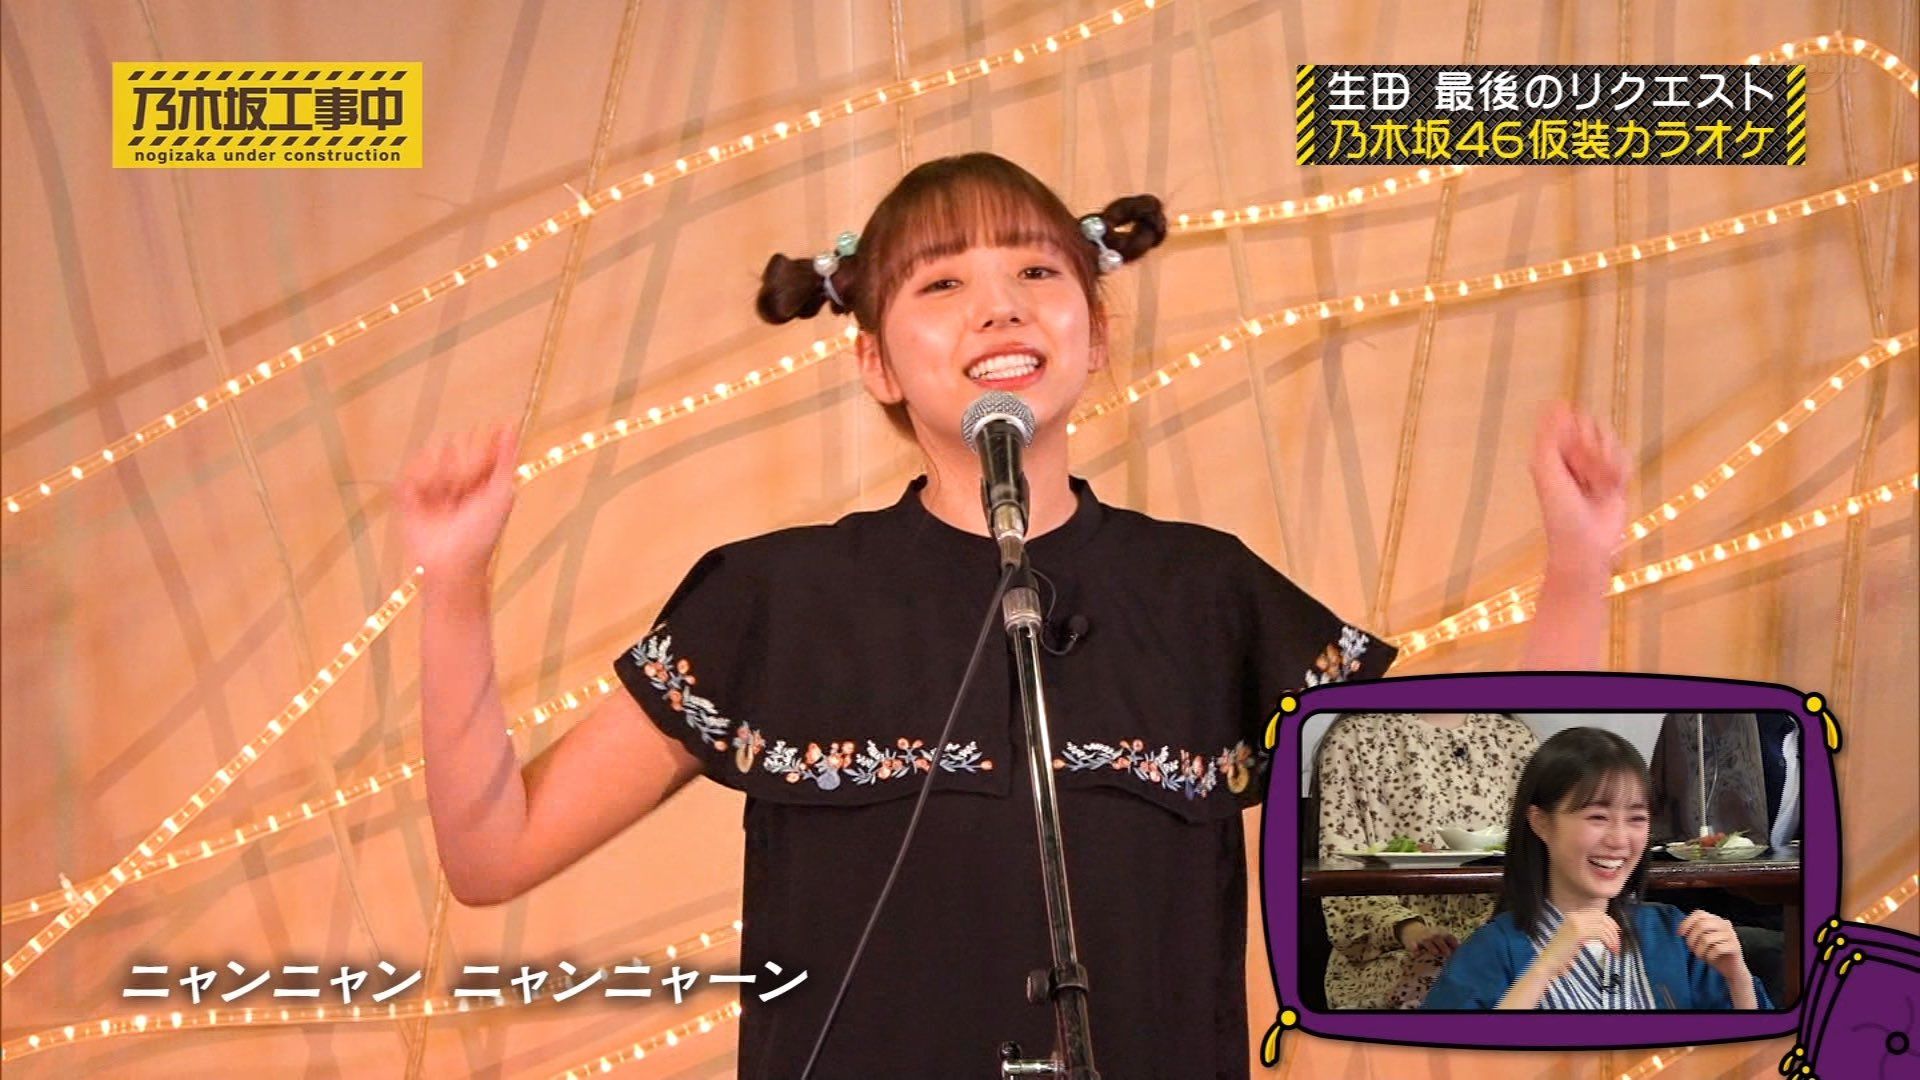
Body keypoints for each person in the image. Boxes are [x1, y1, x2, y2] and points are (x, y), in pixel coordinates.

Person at [400, 152, 1628, 1076]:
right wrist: (451, 589)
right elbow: (493, 854)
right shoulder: (774, 596)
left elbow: (1497, 830)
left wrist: (1580, 563)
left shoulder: (1206, 591)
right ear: (877, 362)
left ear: (1097, 332)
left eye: (1038, 273)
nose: (1000, 308)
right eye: (943, 284)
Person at [1422, 727, 1772, 1010]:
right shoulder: (1492, 950)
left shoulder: (1673, 935)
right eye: (1597, 817)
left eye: (1636, 819)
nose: (1619, 840)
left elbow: (1755, 1058)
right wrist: (1543, 969)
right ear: (1540, 822)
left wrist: (1738, 978)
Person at [1313, 711, 1538, 1008]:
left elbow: (1543, 860)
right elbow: (1340, 877)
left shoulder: (1515, 740)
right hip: (1395, 960)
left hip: (1501, 943)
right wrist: (1408, 929)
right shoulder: (1354, 738)